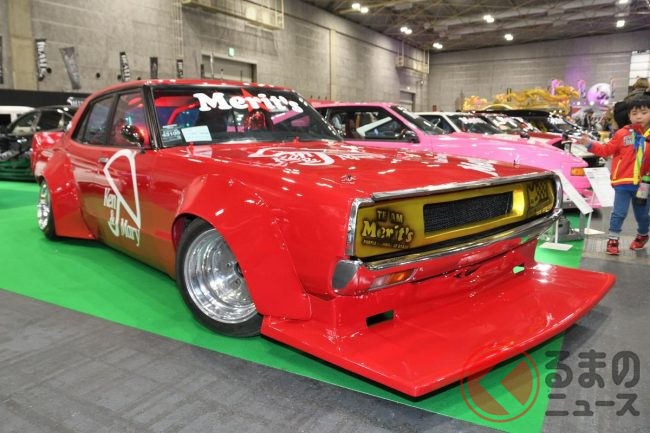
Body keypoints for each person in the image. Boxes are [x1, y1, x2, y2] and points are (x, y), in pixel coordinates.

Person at [579, 96, 650, 255]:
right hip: (623, 182)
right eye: (634, 113)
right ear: (629, 115)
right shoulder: (622, 134)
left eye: (644, 112)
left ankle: (643, 235)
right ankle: (613, 239)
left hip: (644, 184)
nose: (639, 117)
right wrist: (590, 144)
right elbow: (606, 150)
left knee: (643, 216)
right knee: (618, 213)